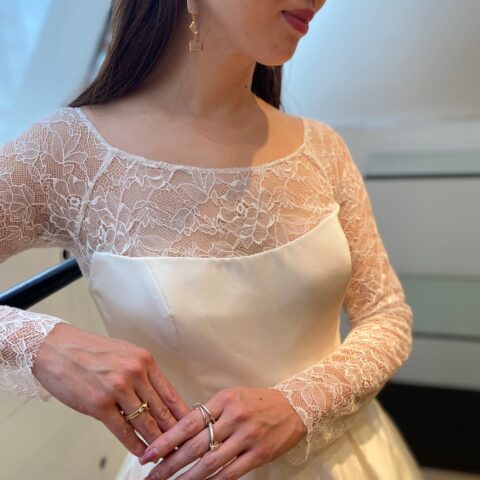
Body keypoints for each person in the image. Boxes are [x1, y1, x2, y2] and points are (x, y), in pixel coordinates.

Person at [0, 0, 425, 479]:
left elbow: (386, 314)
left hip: (351, 459)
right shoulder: (69, 154)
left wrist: (299, 405)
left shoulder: (322, 149)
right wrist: (44, 346)